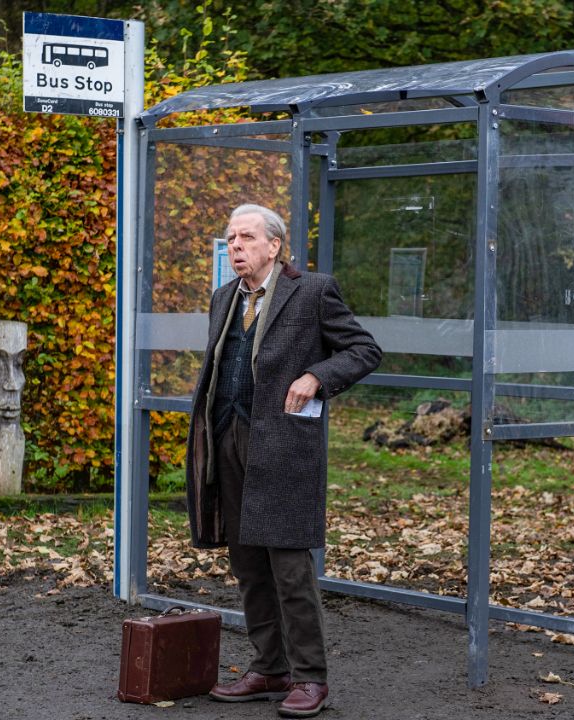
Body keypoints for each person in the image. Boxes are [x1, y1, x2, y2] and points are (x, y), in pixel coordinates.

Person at [185, 204, 382, 718]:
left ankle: (310, 678)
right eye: (230, 239)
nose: (235, 247)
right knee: (248, 563)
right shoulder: (224, 298)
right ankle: (269, 666)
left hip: (284, 448)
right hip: (227, 436)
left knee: (290, 567)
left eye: (246, 238)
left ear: (274, 245)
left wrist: (317, 375)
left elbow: (364, 350)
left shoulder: (313, 291)